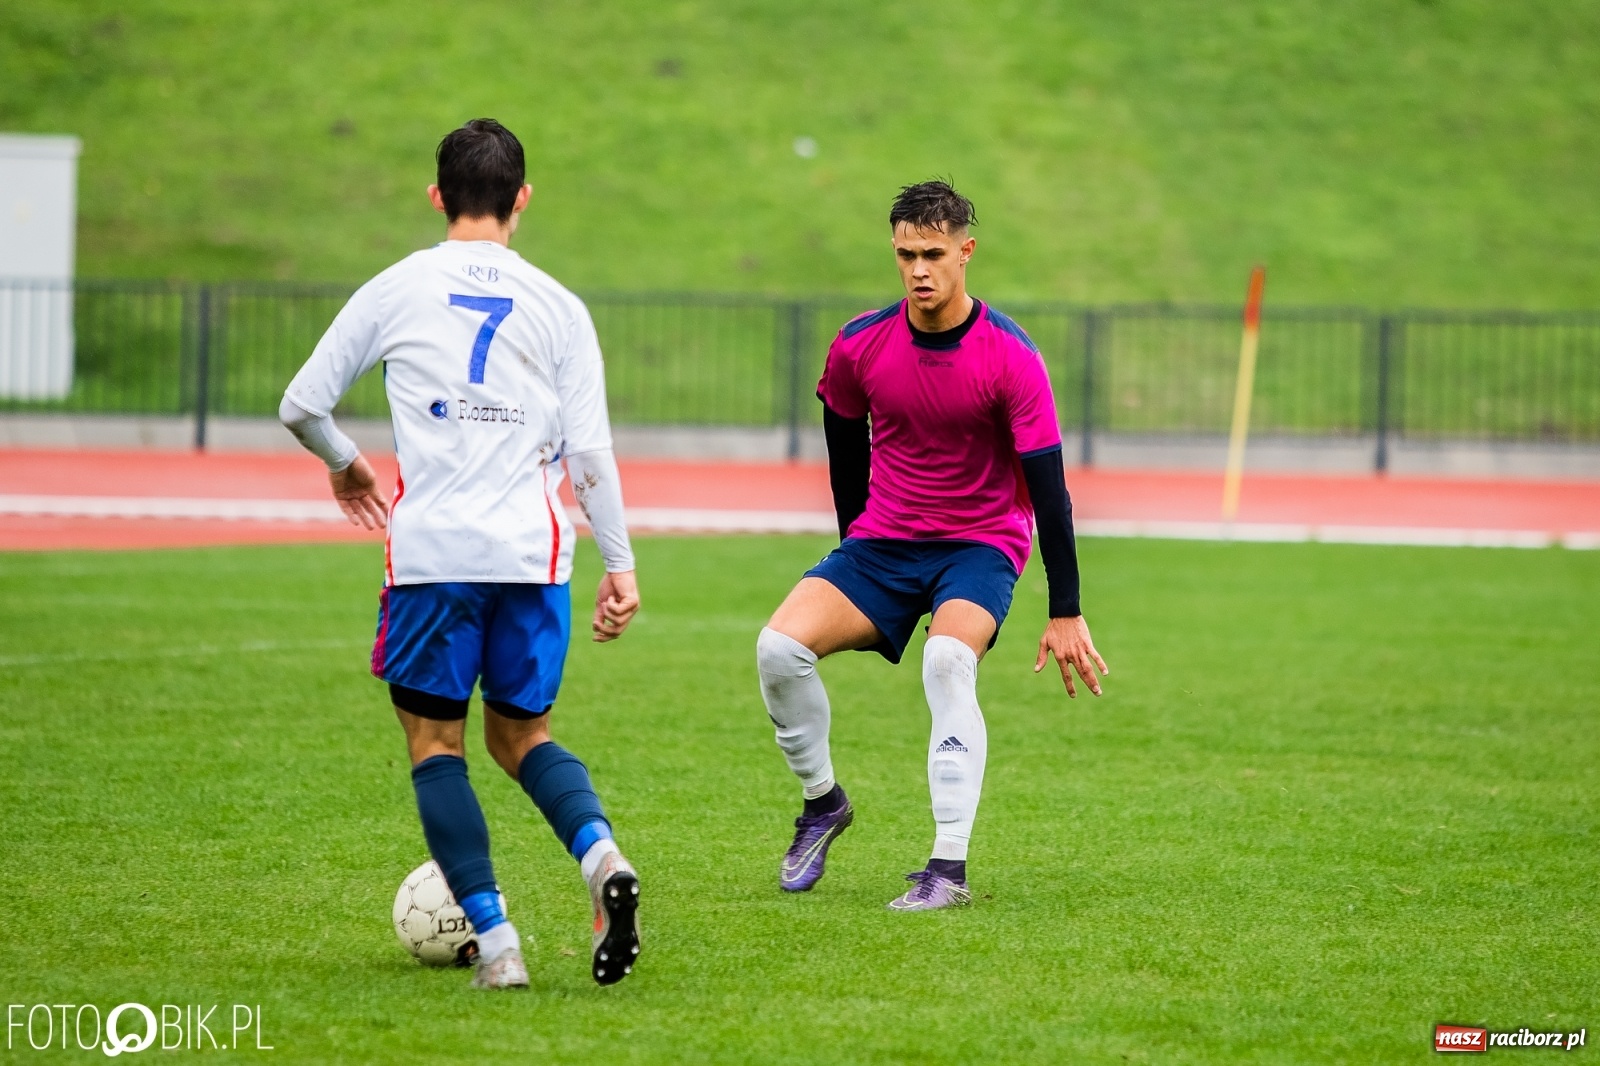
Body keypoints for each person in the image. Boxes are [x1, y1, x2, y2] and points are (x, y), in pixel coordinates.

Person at [279, 119, 642, 988]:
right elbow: (590, 456)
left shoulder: (396, 288)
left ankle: (501, 946)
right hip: (534, 552)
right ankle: (602, 861)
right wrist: (621, 566)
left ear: (437, 196)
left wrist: (348, 465)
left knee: (437, 742)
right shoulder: (559, 305)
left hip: (435, 553)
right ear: (522, 199)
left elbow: (301, 404)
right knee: (523, 738)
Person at [756, 180, 1109, 911]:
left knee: (948, 662)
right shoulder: (859, 344)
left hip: (979, 547)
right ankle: (822, 804)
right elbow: (842, 441)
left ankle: (947, 869)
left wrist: (1066, 607)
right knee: (776, 650)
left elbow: (1050, 492)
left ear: (965, 252)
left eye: (934, 254)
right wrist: (853, 543)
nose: (919, 269)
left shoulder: (1011, 357)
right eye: (905, 254)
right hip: (883, 544)